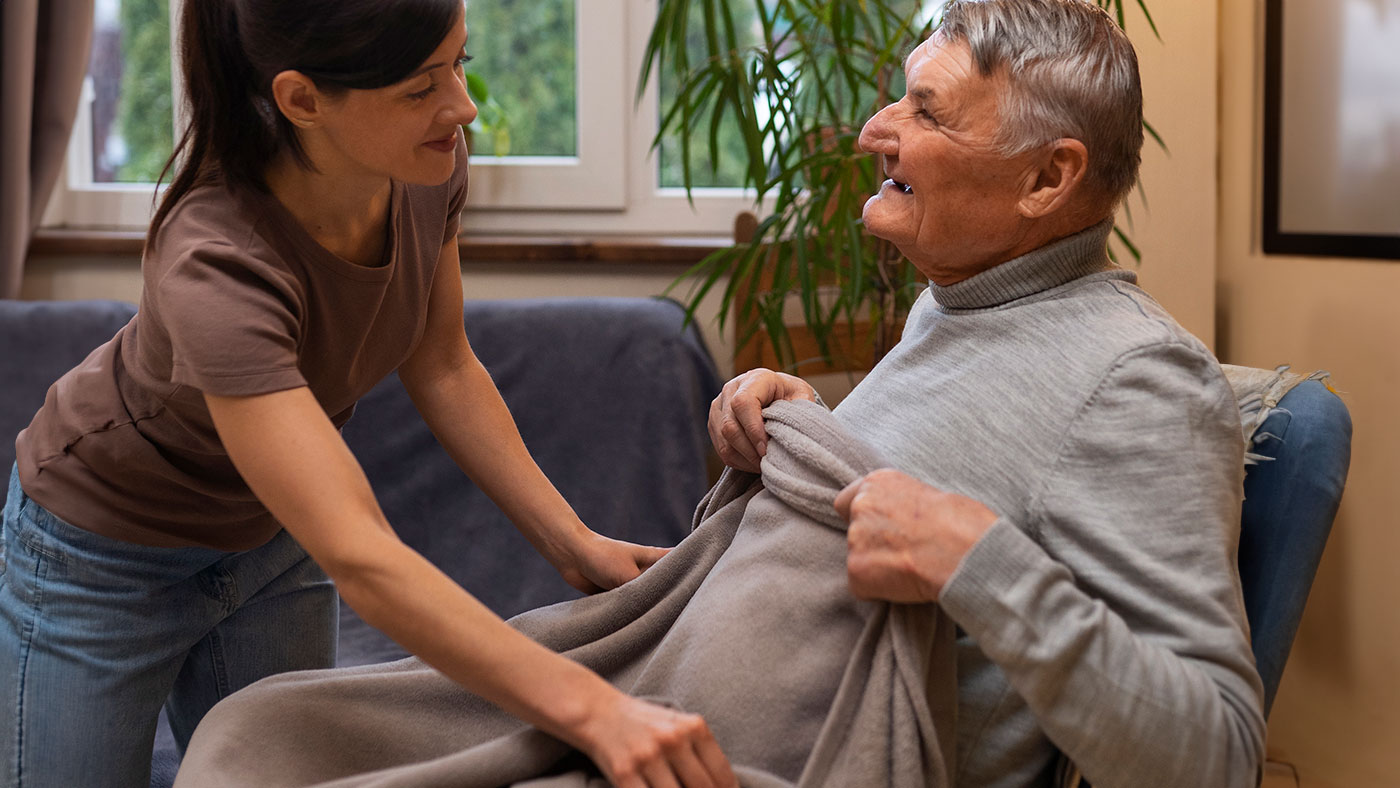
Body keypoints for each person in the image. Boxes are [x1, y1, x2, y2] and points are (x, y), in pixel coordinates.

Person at [0, 2, 735, 788]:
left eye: (459, 62)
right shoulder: (215, 263)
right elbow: (360, 553)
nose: (463, 105)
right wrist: (594, 711)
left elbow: (443, 362)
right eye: (421, 88)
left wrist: (571, 540)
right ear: (302, 100)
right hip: (104, 558)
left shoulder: (427, 163)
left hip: (265, 547)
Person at [709, 0, 1267, 786]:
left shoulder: (1140, 381)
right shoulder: (956, 300)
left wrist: (978, 562)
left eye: (927, 113)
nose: (874, 129)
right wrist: (812, 434)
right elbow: (961, 474)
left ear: (1047, 176)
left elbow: (1218, 758)